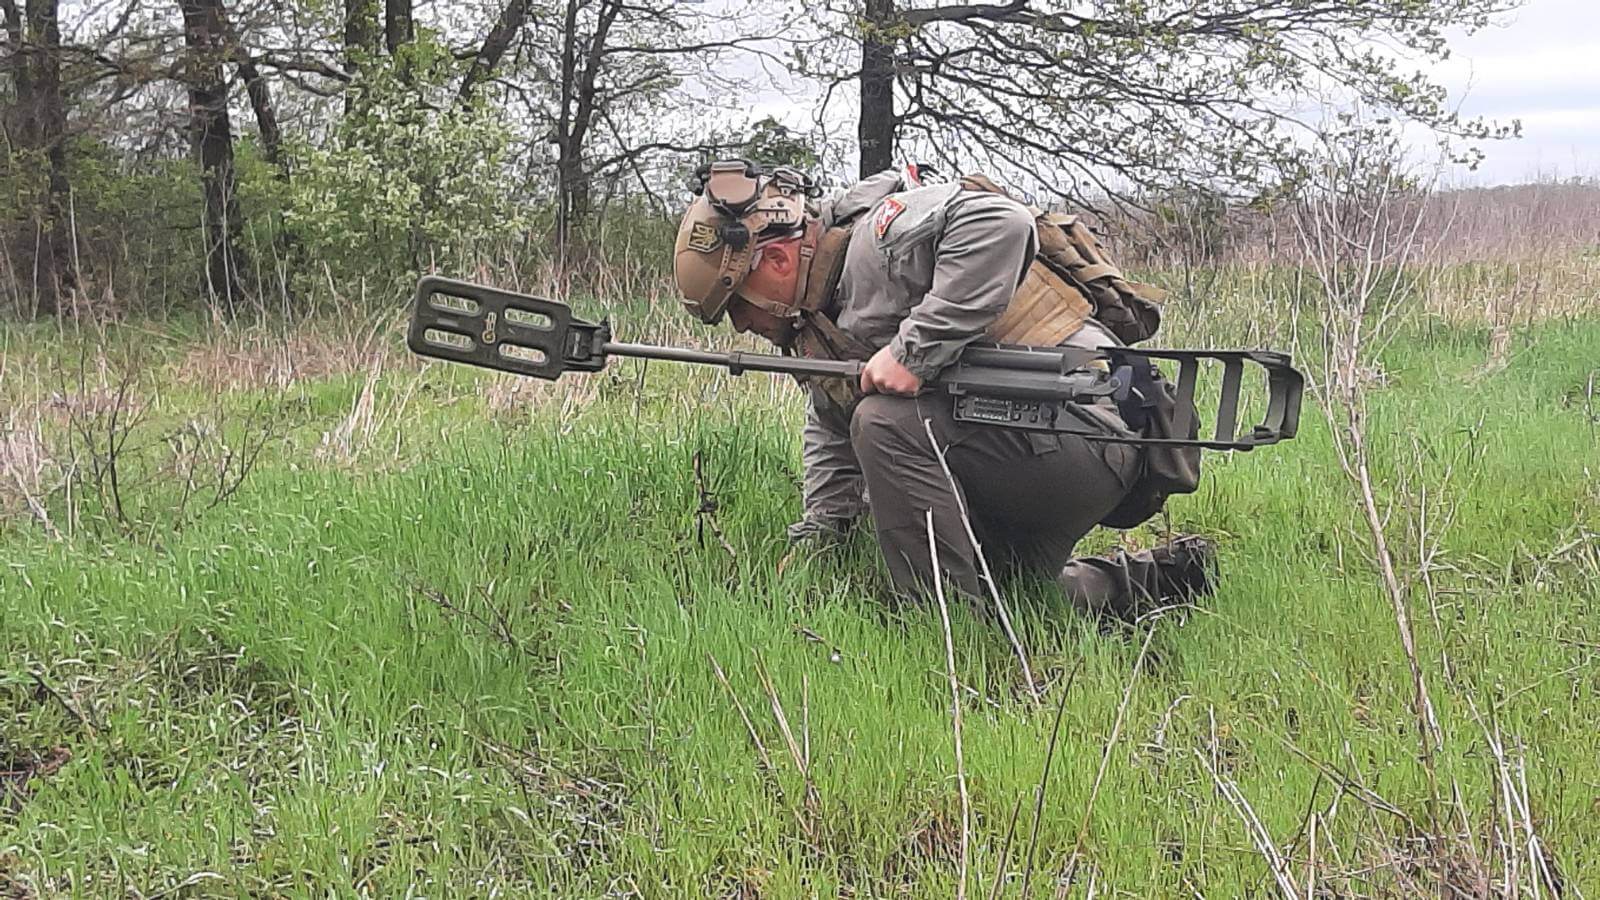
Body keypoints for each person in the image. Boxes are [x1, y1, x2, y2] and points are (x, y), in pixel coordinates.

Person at [671, 160, 1213, 621]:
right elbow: (831, 421)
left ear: (778, 260)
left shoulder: (874, 243)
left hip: (1090, 431)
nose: (742, 326)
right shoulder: (819, 317)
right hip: (1034, 445)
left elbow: (1000, 224)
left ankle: (945, 632)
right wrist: (821, 536)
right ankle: (1151, 581)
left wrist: (914, 352)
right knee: (1019, 599)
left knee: (884, 421)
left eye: (737, 304)